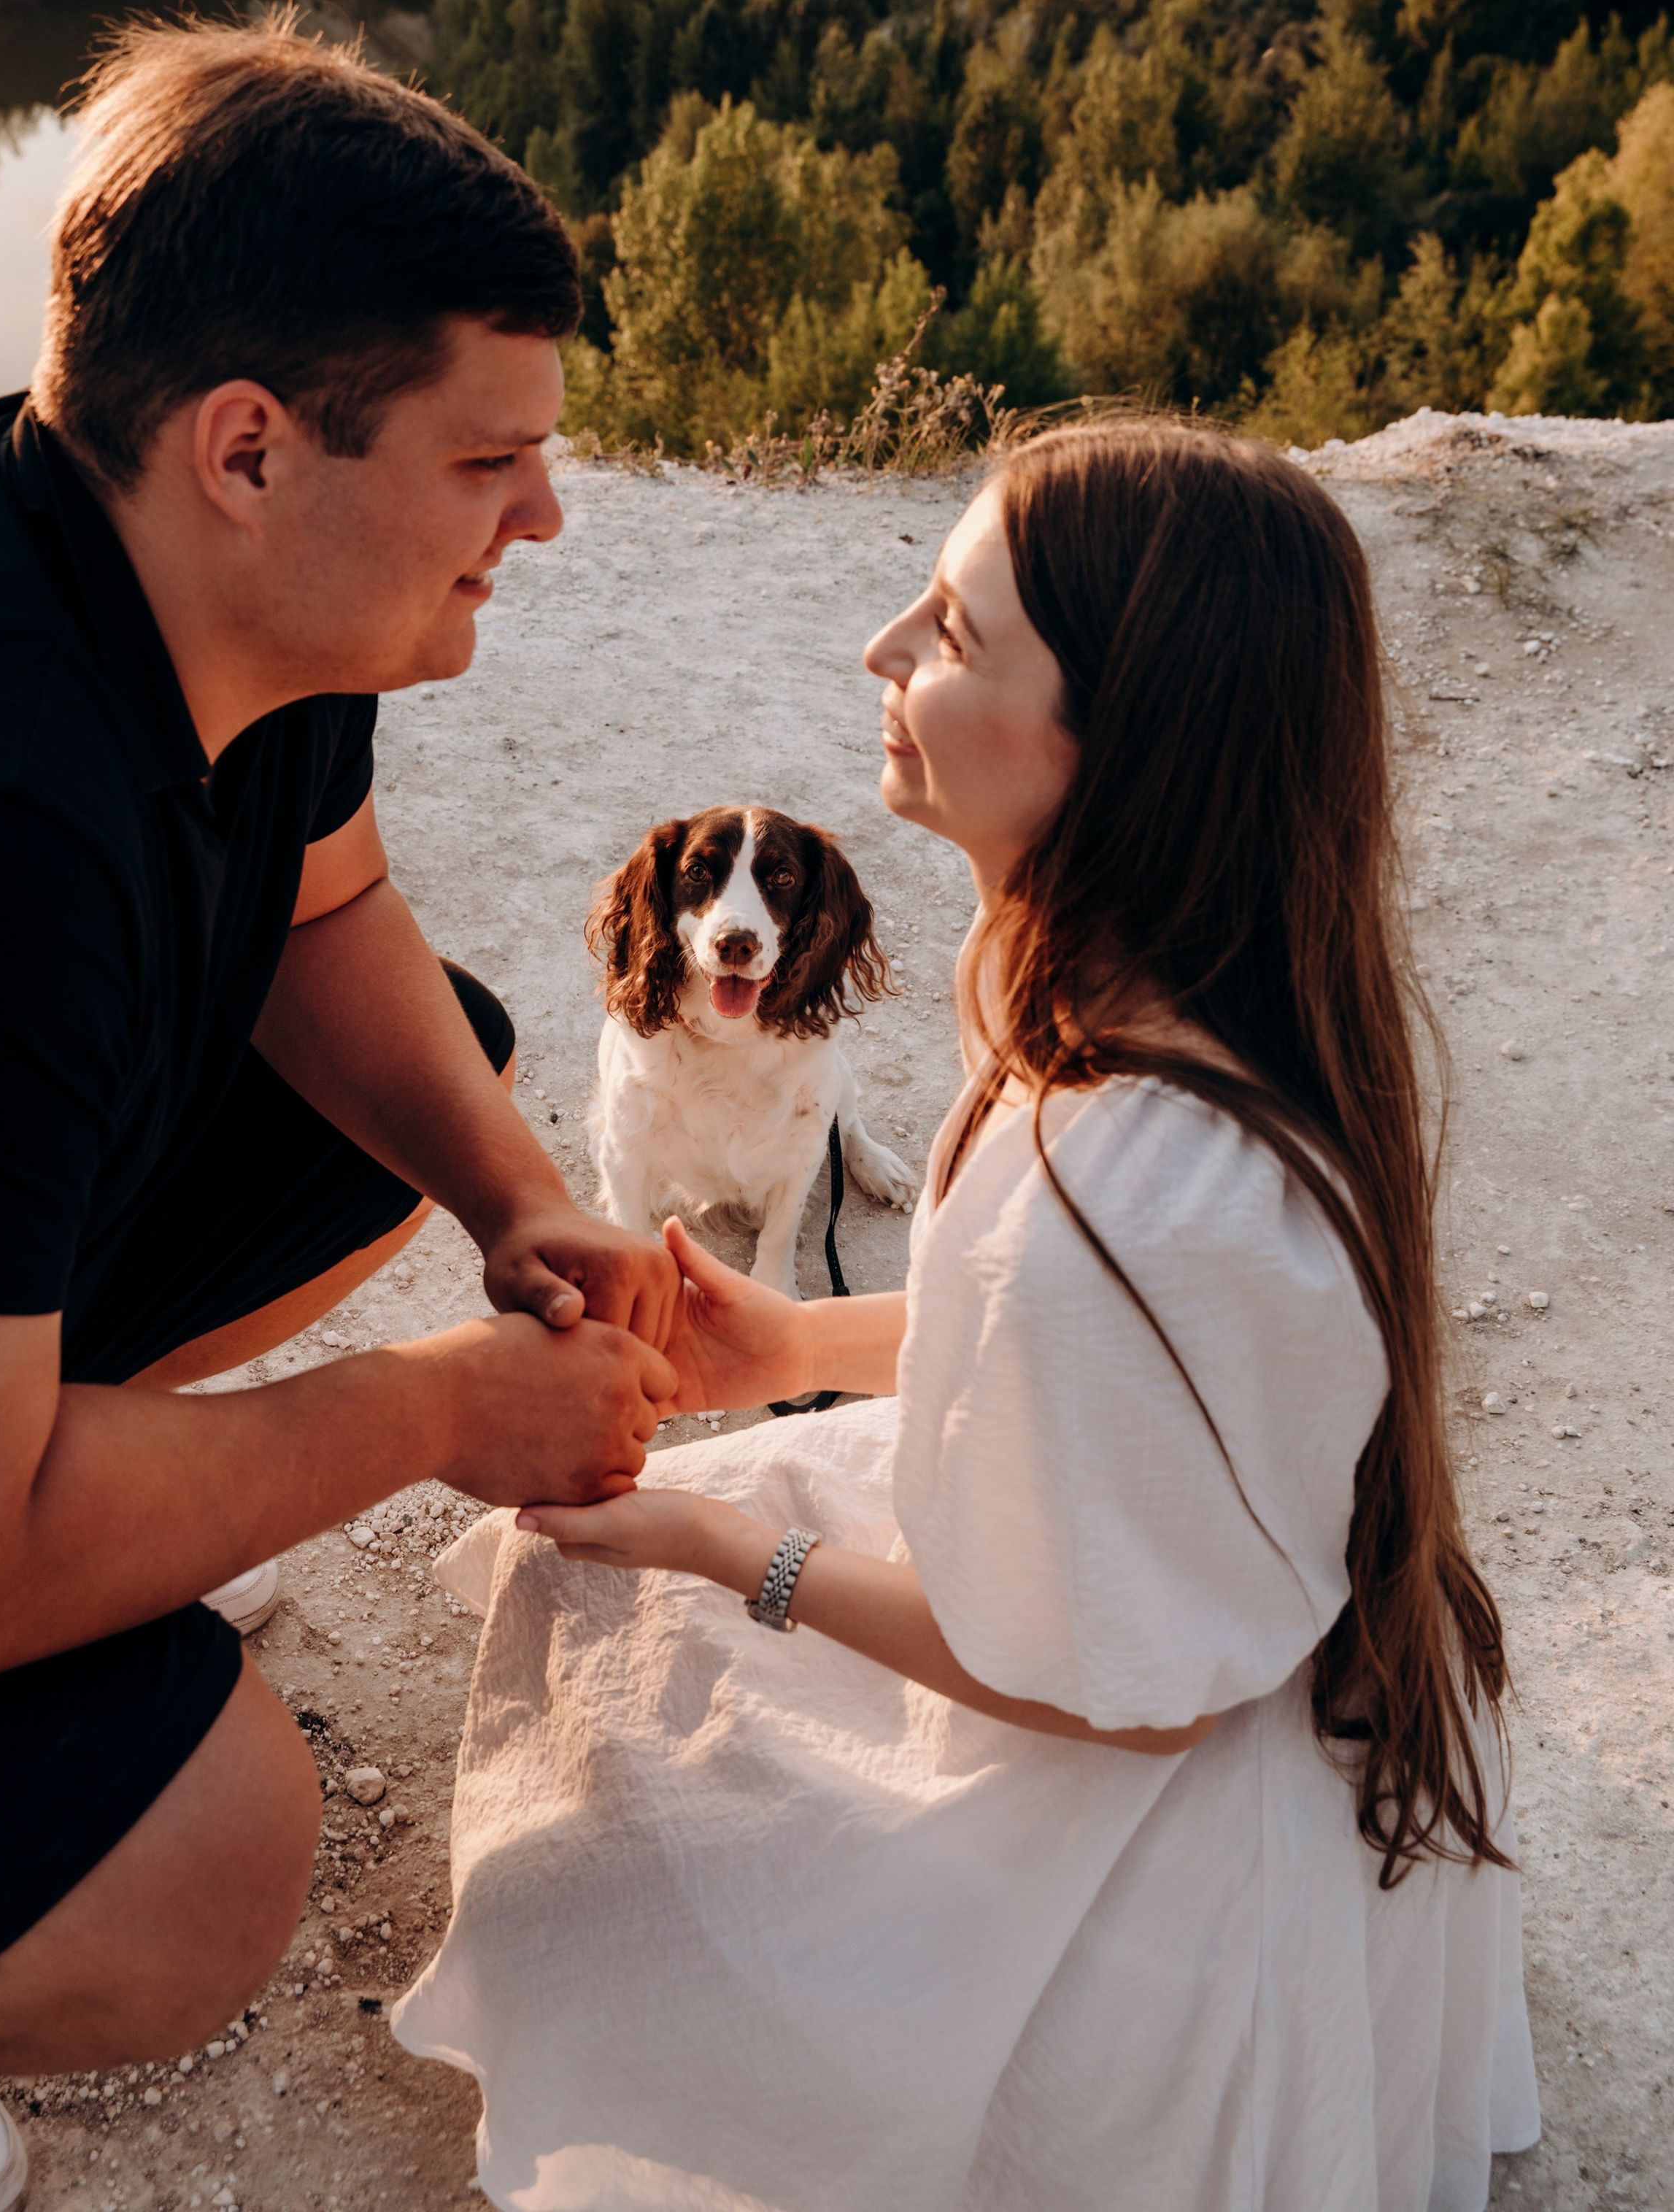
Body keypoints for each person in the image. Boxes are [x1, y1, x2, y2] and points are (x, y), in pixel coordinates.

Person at [391, 420, 1541, 2212]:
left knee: (583, 1866)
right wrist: (785, 1349)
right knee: (586, 1623)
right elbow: (1033, 1348)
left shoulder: (1142, 1190)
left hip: (1133, 1792)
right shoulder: (1135, 983)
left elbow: (1118, 1700)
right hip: (1136, 1611)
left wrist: (718, 1545)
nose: (878, 654)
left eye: (946, 628)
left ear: (1113, 740)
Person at [0, 17, 680, 2212]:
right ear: (249, 447)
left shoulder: (179, 578)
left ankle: (30, 1470)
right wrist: (434, 1417)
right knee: (201, 1866)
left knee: (426, 1086)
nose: (547, 518)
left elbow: (321, 911)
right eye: (490, 463)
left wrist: (520, 1200)